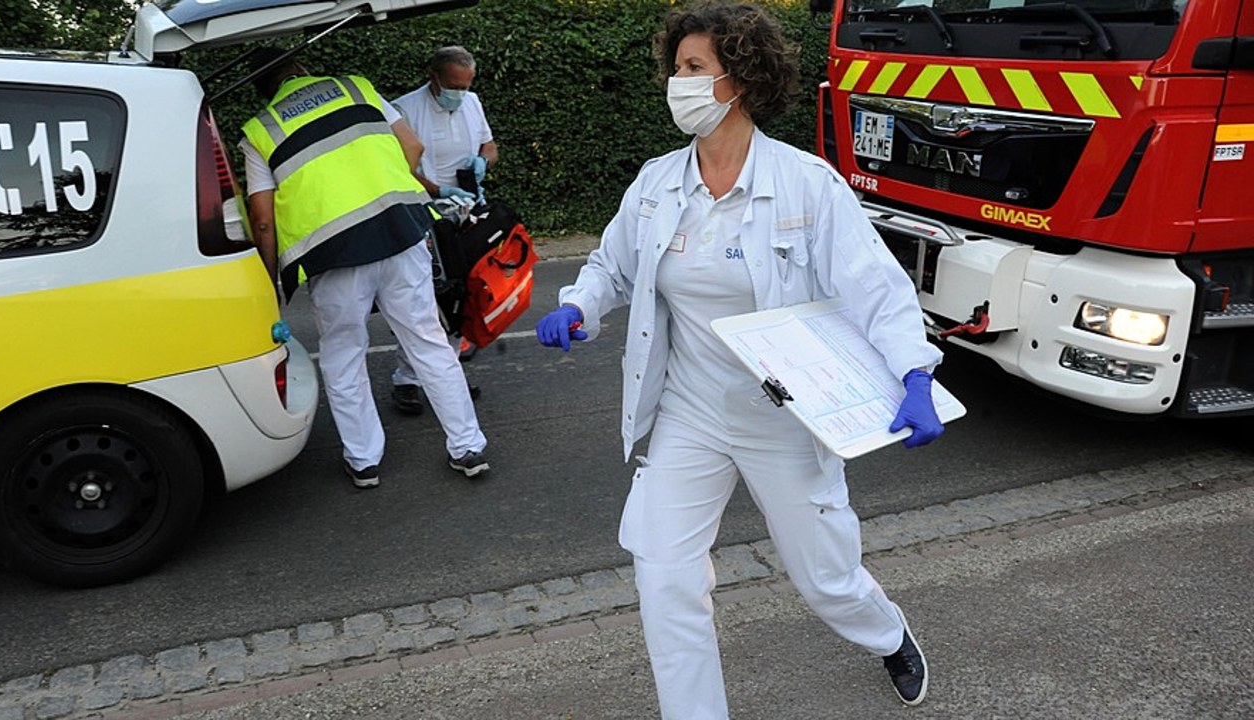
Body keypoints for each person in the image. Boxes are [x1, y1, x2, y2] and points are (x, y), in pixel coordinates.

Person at [534, 5, 941, 717]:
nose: (677, 82)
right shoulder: (658, 183)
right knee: (664, 575)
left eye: (694, 70)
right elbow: (614, 266)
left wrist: (914, 373)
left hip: (782, 414)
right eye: (676, 68)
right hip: (689, 413)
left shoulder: (806, 184)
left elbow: (874, 286)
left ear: (741, 81)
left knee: (826, 578)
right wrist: (580, 305)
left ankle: (886, 633)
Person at [239, 47, 490, 487]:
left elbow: (262, 219)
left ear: (263, 90)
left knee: (343, 354)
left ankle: (364, 460)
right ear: (301, 70)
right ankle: (468, 447)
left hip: (334, 254)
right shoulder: (357, 88)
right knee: (428, 340)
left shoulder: (260, 130)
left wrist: (269, 285)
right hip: (401, 230)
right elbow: (412, 146)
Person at [388, 45, 499, 416]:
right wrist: (439, 191)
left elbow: (489, 144)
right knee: (423, 300)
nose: (460, 94)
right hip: (425, 215)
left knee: (460, 296)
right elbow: (400, 170)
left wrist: (482, 162)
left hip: (467, 211)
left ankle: (445, 373)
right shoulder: (404, 109)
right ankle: (407, 378)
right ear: (434, 78)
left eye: (466, 86)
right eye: (454, 85)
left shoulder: (472, 102)